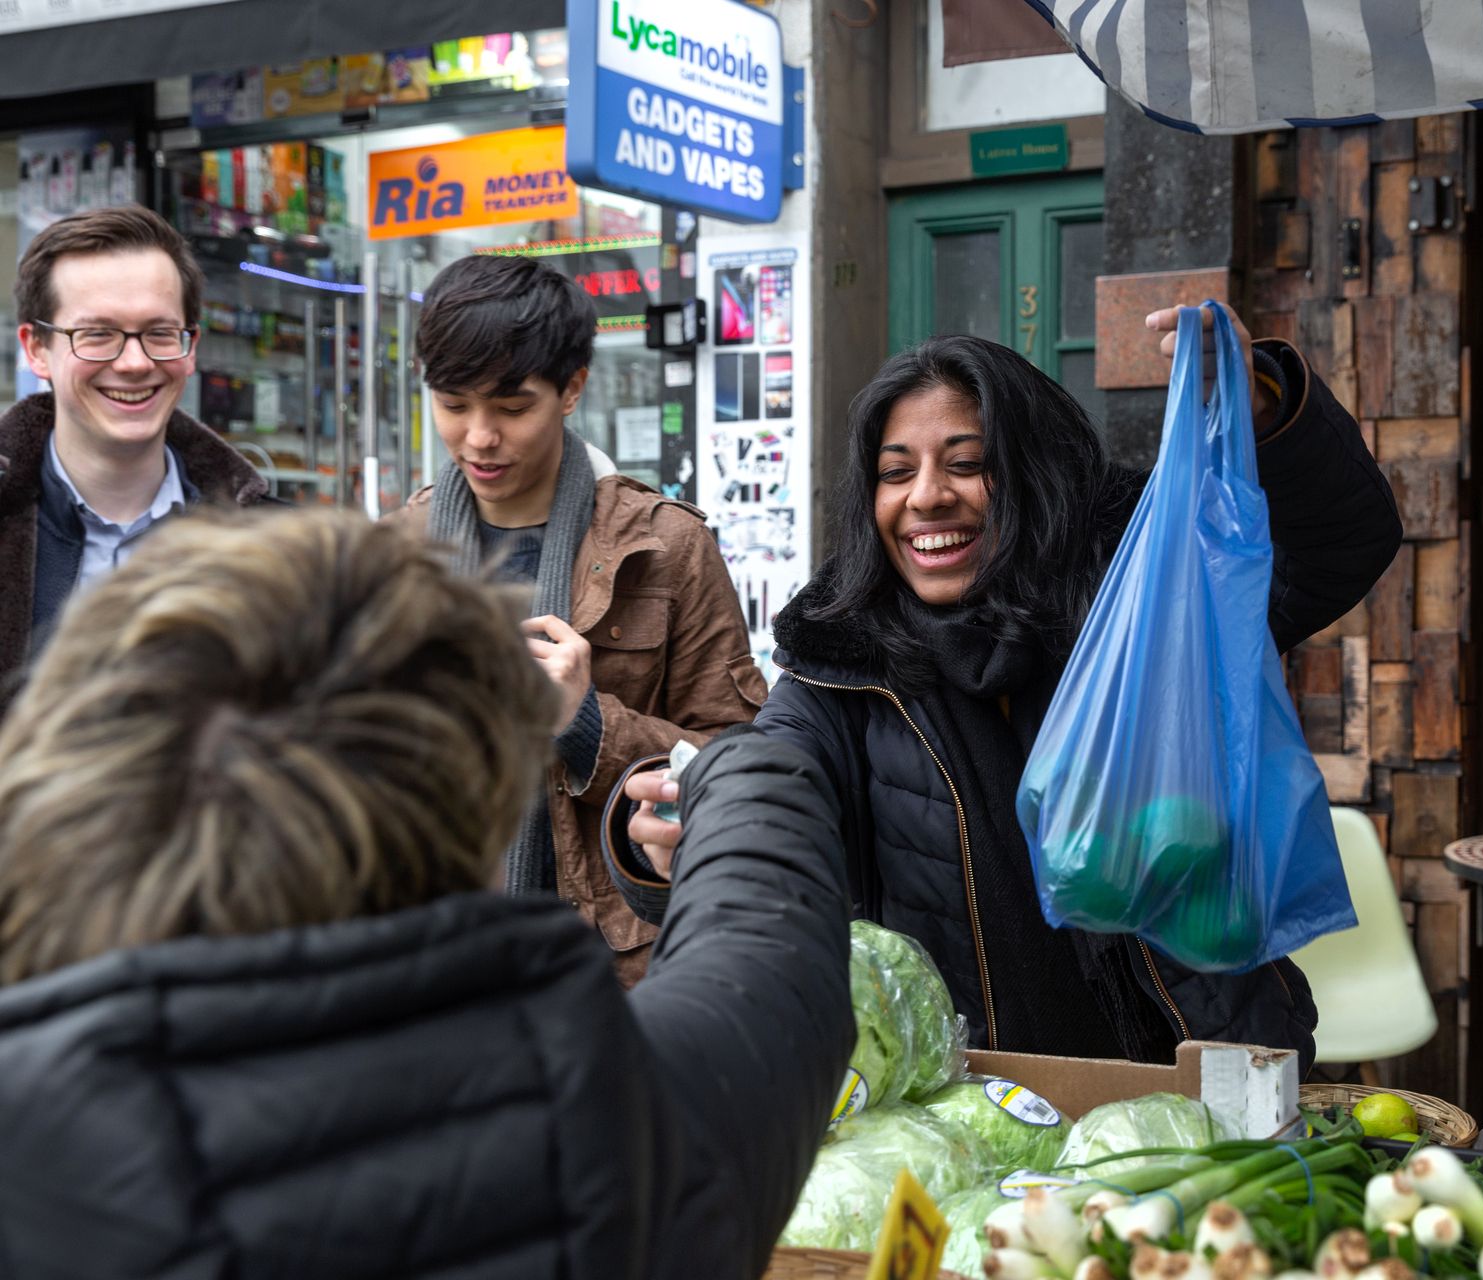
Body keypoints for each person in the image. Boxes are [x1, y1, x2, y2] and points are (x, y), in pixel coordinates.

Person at [0, 509, 853, 1280]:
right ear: (477, 813)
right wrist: (731, 761)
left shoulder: (35, 1161)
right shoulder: (635, 1122)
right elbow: (767, 942)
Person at [610, 306, 1402, 1069]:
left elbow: (1341, 544)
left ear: (1033, 474)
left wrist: (1260, 409)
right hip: (981, 1106)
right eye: (895, 473)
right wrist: (680, 832)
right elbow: (775, 775)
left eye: (966, 463)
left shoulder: (1150, 606)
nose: (926, 497)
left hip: (1203, 1070)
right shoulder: (839, 663)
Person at [392, 254, 765, 985]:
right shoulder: (395, 549)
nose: (478, 437)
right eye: (453, 403)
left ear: (571, 389)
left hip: (613, 970)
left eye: (510, 405)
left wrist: (588, 725)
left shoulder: (666, 546)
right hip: (433, 963)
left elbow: (745, 768)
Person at [1, 205, 270, 689]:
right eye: (97, 334)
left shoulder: (276, 549)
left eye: (159, 333)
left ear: (190, 348)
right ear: (37, 349)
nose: (133, 362)